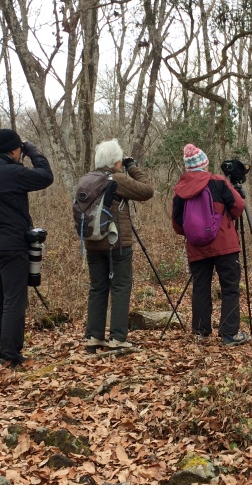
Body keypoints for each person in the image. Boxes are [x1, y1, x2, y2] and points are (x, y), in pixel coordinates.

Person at [0, 129, 53, 369]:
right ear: (12, 150)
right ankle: (10, 353)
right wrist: (34, 152)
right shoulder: (10, 171)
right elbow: (45, 177)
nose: (21, 153)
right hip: (11, 244)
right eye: (19, 149)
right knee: (14, 299)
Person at [171, 144, 248, 346]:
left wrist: (195, 232)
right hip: (225, 244)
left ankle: (200, 332)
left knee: (201, 288)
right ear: (204, 164)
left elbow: (178, 225)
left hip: (197, 247)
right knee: (230, 288)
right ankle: (229, 334)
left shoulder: (180, 190)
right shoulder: (218, 182)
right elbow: (239, 206)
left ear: (188, 168)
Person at [82, 138, 154, 352]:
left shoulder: (86, 179)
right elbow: (147, 191)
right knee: (121, 287)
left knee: (97, 288)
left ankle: (94, 337)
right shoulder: (118, 178)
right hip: (117, 243)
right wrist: (132, 167)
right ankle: (117, 338)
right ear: (116, 161)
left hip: (92, 243)